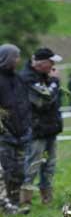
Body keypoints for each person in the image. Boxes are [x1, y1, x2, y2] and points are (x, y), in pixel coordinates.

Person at [19, 47, 64, 206]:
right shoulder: (27, 78)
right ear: (41, 63)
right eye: (50, 62)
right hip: (35, 129)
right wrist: (55, 82)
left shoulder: (44, 76)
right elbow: (43, 100)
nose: (53, 66)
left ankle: (47, 197)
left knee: (49, 164)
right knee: (32, 164)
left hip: (50, 127)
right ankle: (25, 200)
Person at [0, 44, 32, 206]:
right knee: (6, 171)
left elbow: (25, 103)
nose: (18, 60)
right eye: (16, 56)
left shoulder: (19, 79)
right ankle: (5, 202)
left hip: (22, 133)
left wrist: (27, 124)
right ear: (8, 58)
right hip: (5, 136)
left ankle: (14, 201)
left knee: (19, 172)